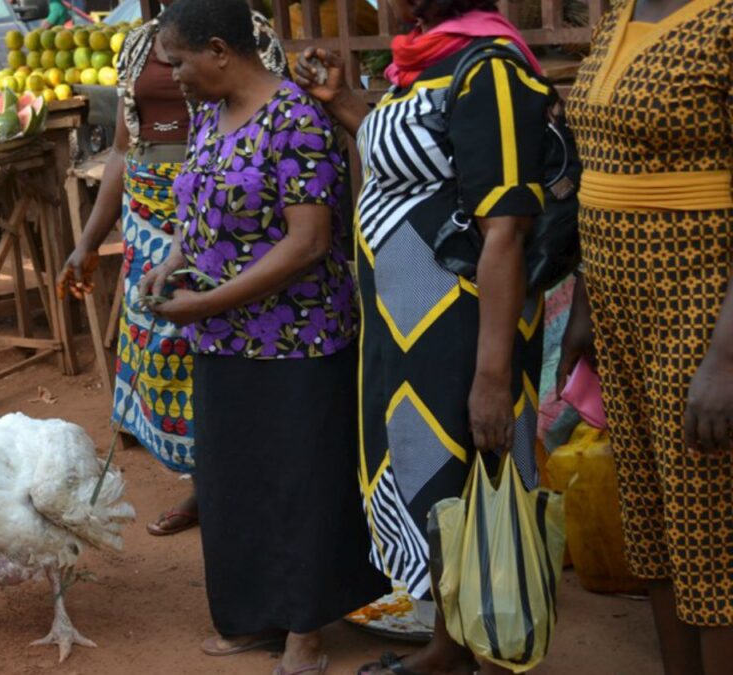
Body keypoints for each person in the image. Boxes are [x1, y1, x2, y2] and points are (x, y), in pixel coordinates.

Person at [296, 0, 552, 673]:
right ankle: (449, 642)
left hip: (465, 329)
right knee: (425, 480)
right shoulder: (423, 61)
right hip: (403, 332)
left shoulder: (491, 68)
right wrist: (345, 100)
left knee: (475, 481)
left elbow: (506, 227)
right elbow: (416, 164)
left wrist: (493, 376)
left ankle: (497, 652)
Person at [143, 0, 390, 671]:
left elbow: (309, 243)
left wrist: (207, 302)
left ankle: (306, 633)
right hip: (222, 339)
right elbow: (194, 214)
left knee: (300, 484)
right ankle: (255, 617)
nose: (175, 77)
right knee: (233, 480)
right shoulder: (206, 118)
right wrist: (170, 266)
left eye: (180, 62)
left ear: (220, 51)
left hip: (299, 342)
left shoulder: (297, 120)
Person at [58, 0, 288, 538]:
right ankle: (207, 483)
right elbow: (123, 149)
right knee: (162, 357)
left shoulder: (247, 36)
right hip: (146, 212)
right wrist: (89, 240)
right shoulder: (138, 44)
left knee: (214, 350)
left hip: (219, 215)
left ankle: (228, 489)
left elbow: (271, 136)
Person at [558, 0, 733, 672]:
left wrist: (725, 357)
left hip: (700, 307)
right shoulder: (619, 17)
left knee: (710, 527)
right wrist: (583, 309)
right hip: (619, 313)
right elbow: (598, 176)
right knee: (652, 518)